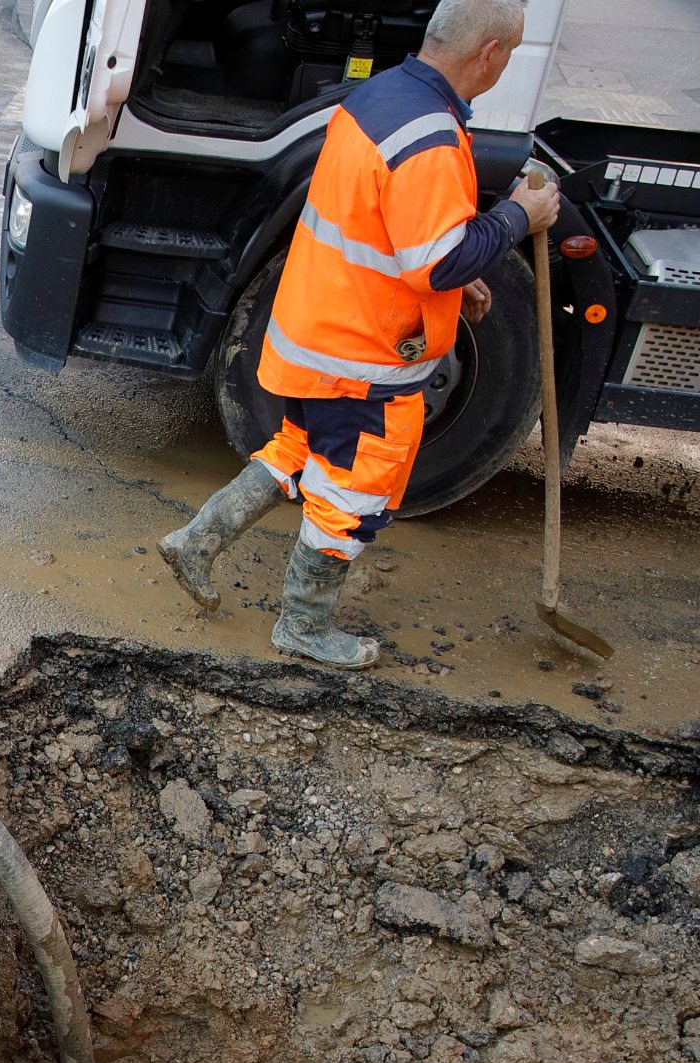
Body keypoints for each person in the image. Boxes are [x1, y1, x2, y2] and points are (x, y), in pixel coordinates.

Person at [158, 0, 561, 668]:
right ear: (488, 53)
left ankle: (197, 541)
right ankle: (302, 626)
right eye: (508, 55)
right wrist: (518, 215)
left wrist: (458, 277)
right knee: (352, 492)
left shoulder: (380, 96)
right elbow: (433, 262)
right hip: (362, 358)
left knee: (297, 450)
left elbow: (387, 226)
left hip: (314, 332)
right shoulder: (430, 138)